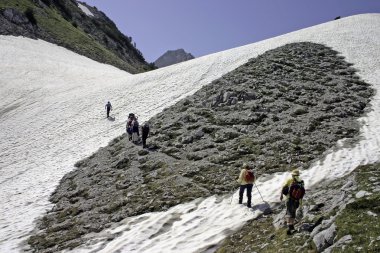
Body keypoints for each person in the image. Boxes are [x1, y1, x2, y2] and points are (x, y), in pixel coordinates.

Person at [280, 169, 305, 235]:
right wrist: (300, 202)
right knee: (293, 213)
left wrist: (281, 195)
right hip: (297, 200)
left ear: (292, 175)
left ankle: (290, 228)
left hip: (289, 199)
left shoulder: (289, 180)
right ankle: (292, 227)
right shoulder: (301, 181)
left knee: (289, 212)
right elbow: (302, 192)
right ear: (298, 175)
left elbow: (283, 188)